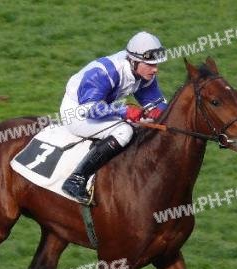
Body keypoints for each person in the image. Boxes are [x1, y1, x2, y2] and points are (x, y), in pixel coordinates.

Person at [60, 31, 168, 204]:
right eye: (149, 64)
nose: (155, 69)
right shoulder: (105, 72)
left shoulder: (142, 73)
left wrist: (160, 114)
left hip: (99, 107)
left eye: (155, 64)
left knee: (145, 125)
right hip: (77, 112)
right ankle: (76, 179)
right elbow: (89, 109)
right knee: (124, 130)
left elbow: (158, 105)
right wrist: (124, 111)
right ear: (134, 61)